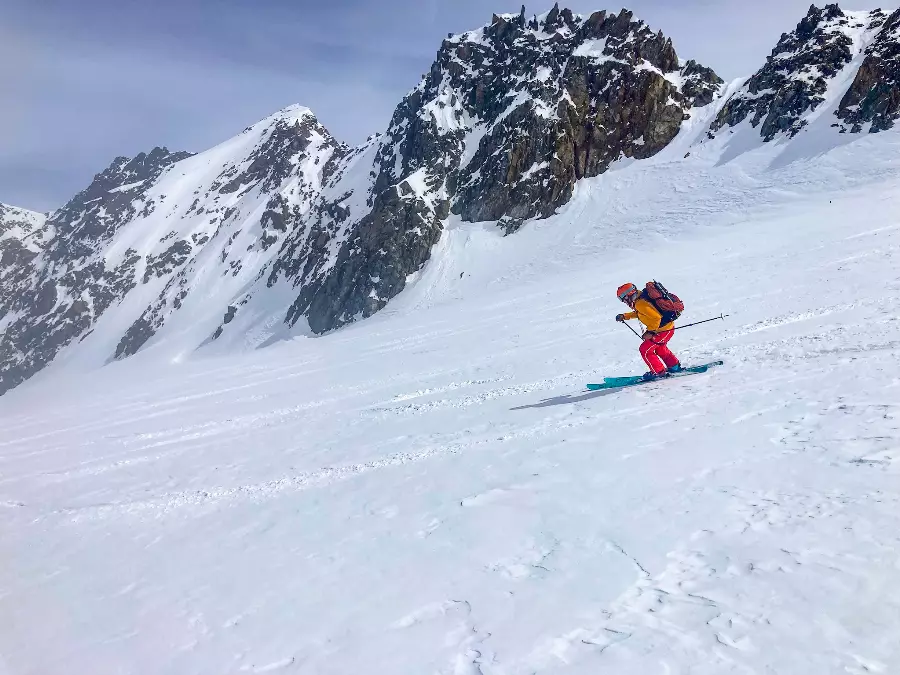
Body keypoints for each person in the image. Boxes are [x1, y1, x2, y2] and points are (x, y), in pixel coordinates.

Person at [615, 283, 683, 381]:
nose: (623, 301)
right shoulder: (640, 298)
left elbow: (656, 317)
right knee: (660, 349)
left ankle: (658, 372)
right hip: (666, 329)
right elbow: (641, 313)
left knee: (645, 350)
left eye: (622, 298)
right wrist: (625, 316)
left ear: (628, 295)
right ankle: (674, 367)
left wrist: (650, 332)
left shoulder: (640, 303)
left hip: (662, 331)